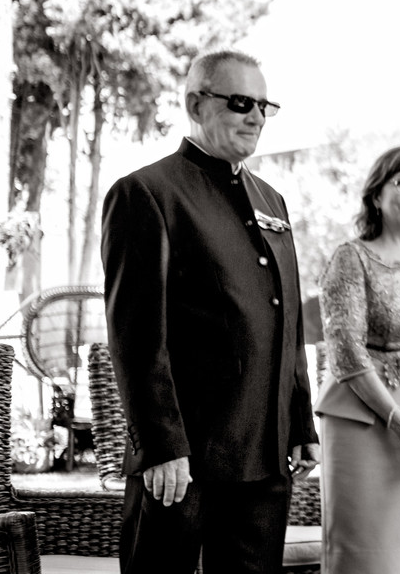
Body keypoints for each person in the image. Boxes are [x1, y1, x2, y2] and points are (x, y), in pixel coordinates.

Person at [101, 49, 319, 574]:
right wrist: (160, 446)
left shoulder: (273, 200)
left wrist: (300, 422)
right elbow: (135, 338)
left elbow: (286, 322)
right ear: (196, 103)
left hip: (266, 456)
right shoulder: (145, 194)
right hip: (183, 462)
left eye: (265, 106)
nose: (256, 117)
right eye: (241, 102)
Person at [314, 145, 400, 574]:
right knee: (364, 559)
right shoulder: (350, 259)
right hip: (363, 425)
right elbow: (347, 354)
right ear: (377, 195)